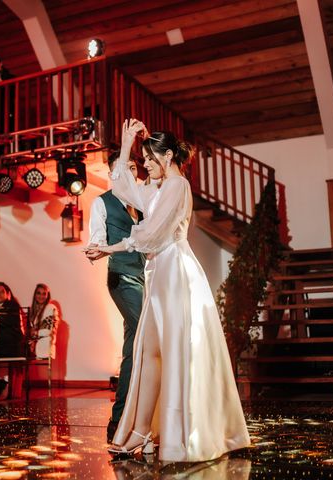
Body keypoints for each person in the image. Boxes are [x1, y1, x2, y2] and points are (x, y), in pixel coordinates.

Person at [85, 119, 250, 462]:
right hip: (159, 272)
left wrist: (110, 249)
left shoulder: (177, 187)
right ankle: (142, 430)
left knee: (168, 353)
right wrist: (128, 137)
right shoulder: (158, 189)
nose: (144, 166)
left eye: (149, 159)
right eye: (142, 158)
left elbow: (153, 235)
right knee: (149, 353)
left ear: (169, 155)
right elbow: (122, 188)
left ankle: (175, 434)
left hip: (175, 272)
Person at [87, 151, 145, 443]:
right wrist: (96, 248)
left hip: (146, 278)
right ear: (112, 174)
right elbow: (96, 238)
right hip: (121, 278)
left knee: (134, 347)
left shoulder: (142, 202)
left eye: (133, 167)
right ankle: (123, 416)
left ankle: (123, 419)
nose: (129, 172)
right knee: (145, 334)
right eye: (122, 168)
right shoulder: (102, 202)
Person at [26, 284, 59, 359]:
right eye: (38, 293)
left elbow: (48, 330)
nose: (41, 296)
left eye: (44, 294)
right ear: (35, 294)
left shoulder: (50, 308)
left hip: (46, 351)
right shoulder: (34, 310)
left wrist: (35, 333)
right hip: (36, 351)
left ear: (48, 295)